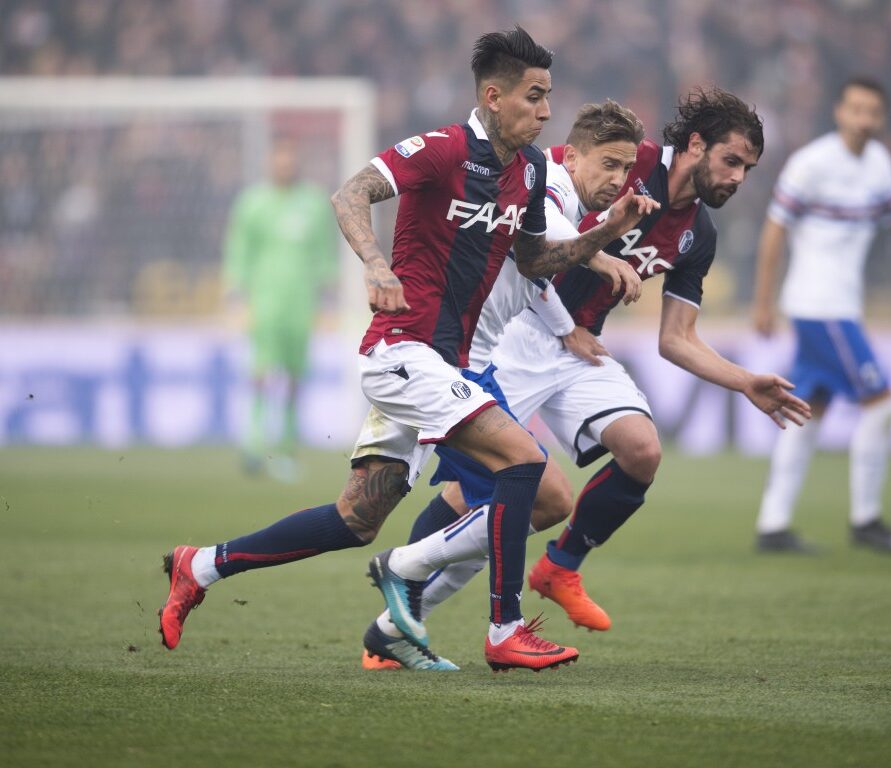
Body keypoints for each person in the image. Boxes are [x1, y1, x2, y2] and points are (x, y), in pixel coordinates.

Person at [157, 26, 656, 674]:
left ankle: (201, 566)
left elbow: (534, 257)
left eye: (549, 97)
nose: (545, 111)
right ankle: (502, 626)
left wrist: (602, 237)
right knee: (524, 463)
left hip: (450, 366)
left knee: (355, 519)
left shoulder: (530, 171)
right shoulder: (443, 149)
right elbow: (352, 192)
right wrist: (374, 263)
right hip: (402, 349)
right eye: (534, 97)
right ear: (494, 95)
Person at [376, 87, 813, 647]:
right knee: (480, 496)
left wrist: (745, 381)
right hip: (514, 332)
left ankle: (560, 567)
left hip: (580, 347)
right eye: (732, 161)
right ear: (695, 145)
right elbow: (535, 192)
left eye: (748, 169)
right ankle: (399, 617)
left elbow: (677, 339)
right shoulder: (628, 159)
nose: (737, 178)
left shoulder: (697, 236)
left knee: (642, 450)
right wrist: (574, 298)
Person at [750, 76, 891, 555]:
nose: (864, 119)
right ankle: (867, 519)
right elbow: (775, 229)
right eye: (855, 109)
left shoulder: (879, 165)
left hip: (837, 305)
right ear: (839, 111)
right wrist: (762, 300)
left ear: (881, 118)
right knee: (883, 403)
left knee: (807, 414)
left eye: (872, 111)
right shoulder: (811, 164)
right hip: (821, 307)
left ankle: (772, 526)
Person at [222, 137, 337, 481]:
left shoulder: (314, 203)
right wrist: (235, 292)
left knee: (293, 378)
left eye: (290, 157)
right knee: (260, 374)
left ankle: (286, 449)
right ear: (270, 161)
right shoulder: (253, 203)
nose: (284, 164)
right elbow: (239, 249)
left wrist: (329, 291)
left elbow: (325, 252)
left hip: (301, 305)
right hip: (265, 302)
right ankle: (254, 446)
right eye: (279, 158)